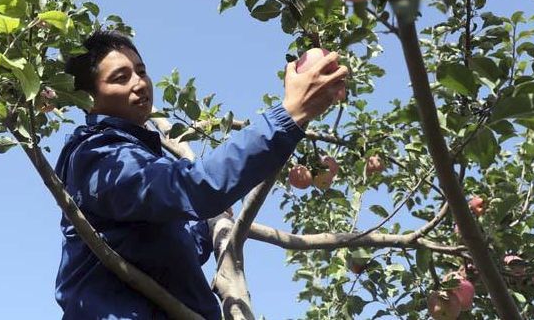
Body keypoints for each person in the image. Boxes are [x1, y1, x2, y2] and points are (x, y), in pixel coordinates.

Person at [54, 31, 347, 319]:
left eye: (141, 72)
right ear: (86, 100)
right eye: (121, 77)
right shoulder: (99, 158)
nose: (140, 83)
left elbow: (170, 252)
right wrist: (289, 114)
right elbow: (193, 186)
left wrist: (206, 227)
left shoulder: (136, 158)